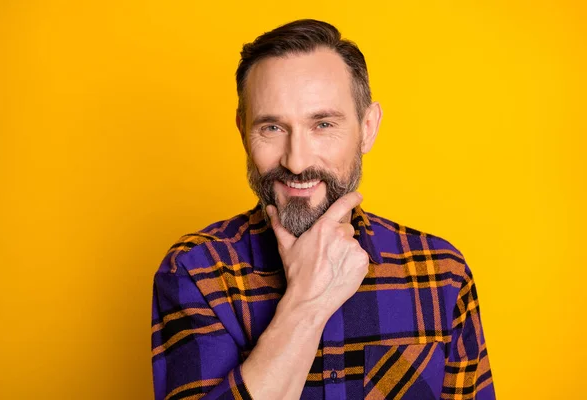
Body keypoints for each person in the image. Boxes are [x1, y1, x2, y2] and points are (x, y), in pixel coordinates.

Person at [150, 19, 495, 400]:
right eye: (272, 128)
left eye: (323, 124)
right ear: (242, 130)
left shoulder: (441, 273)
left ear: (368, 128)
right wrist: (305, 304)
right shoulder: (196, 271)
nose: (296, 162)